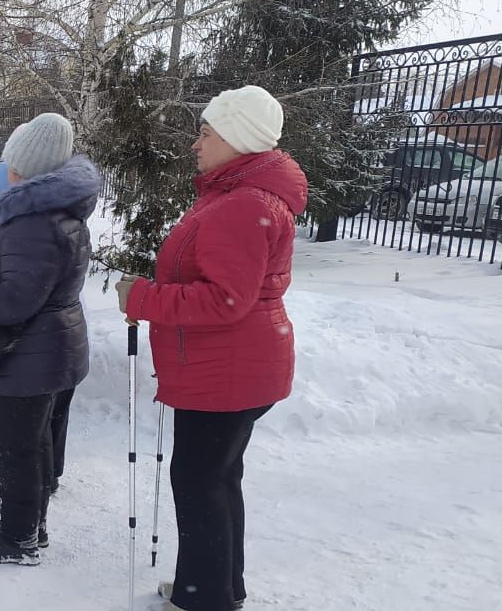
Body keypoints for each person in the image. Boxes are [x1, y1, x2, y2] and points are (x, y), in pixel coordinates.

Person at [116, 85, 306, 611]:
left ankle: (205, 599)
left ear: (238, 136)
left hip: (226, 372)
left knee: (201, 484)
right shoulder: (236, 195)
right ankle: (216, 588)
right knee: (217, 480)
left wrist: (145, 297)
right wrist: (152, 299)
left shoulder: (243, 204)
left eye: (205, 132)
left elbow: (226, 300)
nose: (196, 144)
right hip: (234, 367)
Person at [0, 113, 99, 565]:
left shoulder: (33, 222)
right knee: (34, 443)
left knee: (18, 448)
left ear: (26, 169)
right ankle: (29, 524)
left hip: (27, 351)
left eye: (13, 161)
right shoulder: (52, 213)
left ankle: (18, 537)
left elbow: (15, 300)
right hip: (46, 346)